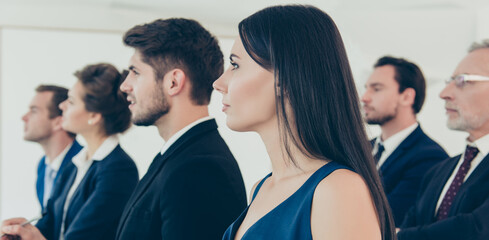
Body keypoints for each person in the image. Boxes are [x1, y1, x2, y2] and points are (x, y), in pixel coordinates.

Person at [213, 5, 395, 240]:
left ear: (285, 79)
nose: (219, 82)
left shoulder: (338, 189)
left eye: (235, 65)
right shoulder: (261, 188)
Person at [115, 18, 247, 240]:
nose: (124, 85)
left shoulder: (200, 169)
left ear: (174, 82)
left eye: (136, 72)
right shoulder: (178, 155)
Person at [1, 63, 139, 240]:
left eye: (71, 101)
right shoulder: (75, 164)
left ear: (94, 116)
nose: (62, 106)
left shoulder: (118, 169)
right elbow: (49, 222)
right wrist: (22, 232)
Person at [397, 40, 489, 240]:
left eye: (462, 81)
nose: (443, 93)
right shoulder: (438, 172)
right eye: (450, 81)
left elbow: (478, 230)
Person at [361, 56, 448, 225]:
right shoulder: (362, 147)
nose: (365, 97)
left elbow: (387, 219)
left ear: (407, 97)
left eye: (376, 89)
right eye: (366, 89)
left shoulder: (430, 157)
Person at [22, 85, 82, 210]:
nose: (24, 117)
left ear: (58, 122)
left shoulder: (83, 163)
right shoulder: (43, 165)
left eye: (34, 111)